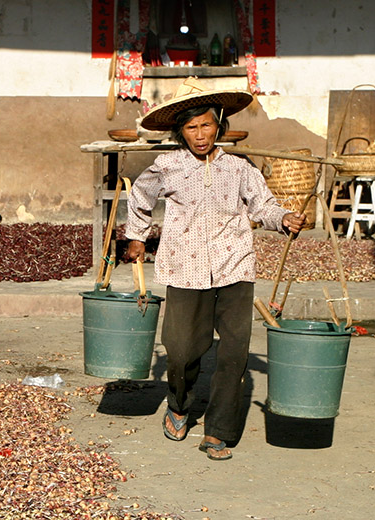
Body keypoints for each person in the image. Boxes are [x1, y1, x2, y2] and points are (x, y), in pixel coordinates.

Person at [124, 78, 306, 461]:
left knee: (234, 352)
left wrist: (284, 218)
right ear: (181, 131)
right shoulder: (167, 166)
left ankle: (219, 431)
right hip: (185, 268)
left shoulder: (239, 168)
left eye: (206, 125)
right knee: (181, 349)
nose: (200, 135)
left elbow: (263, 207)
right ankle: (179, 404)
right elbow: (139, 195)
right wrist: (137, 235)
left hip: (235, 265)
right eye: (191, 128)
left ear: (218, 122)